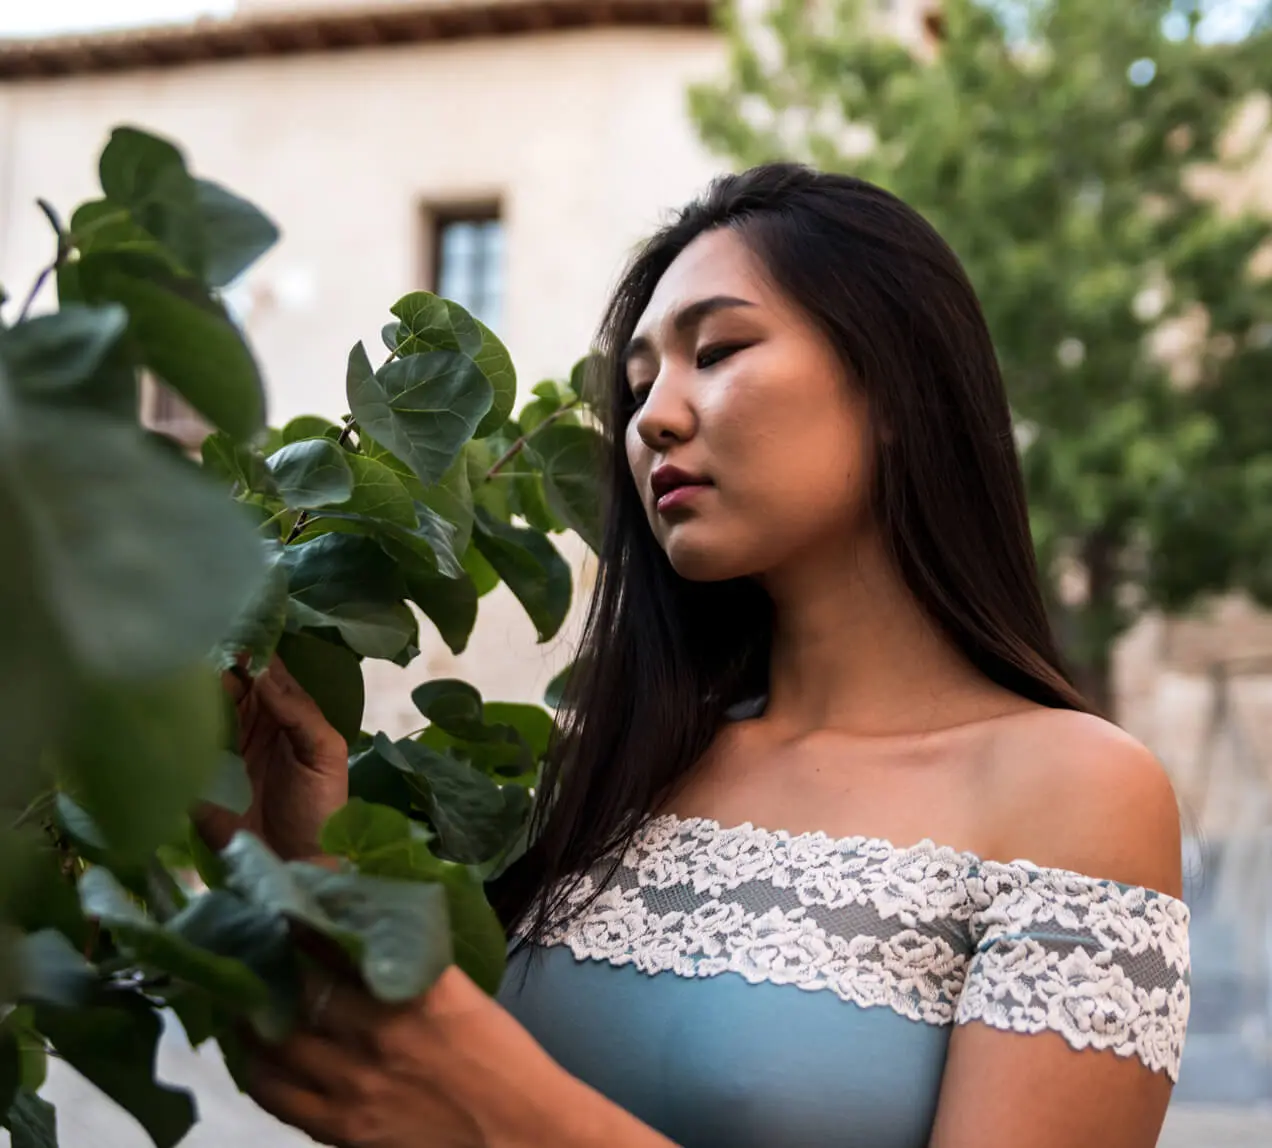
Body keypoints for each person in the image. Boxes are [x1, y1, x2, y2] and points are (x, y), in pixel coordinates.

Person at [205, 164, 1191, 1148]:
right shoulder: (619, 768)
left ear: (897, 384)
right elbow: (404, 1090)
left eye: (716, 350)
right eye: (636, 388)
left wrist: (508, 1110)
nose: (652, 419)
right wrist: (300, 862)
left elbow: (475, 1096)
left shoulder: (1078, 791)